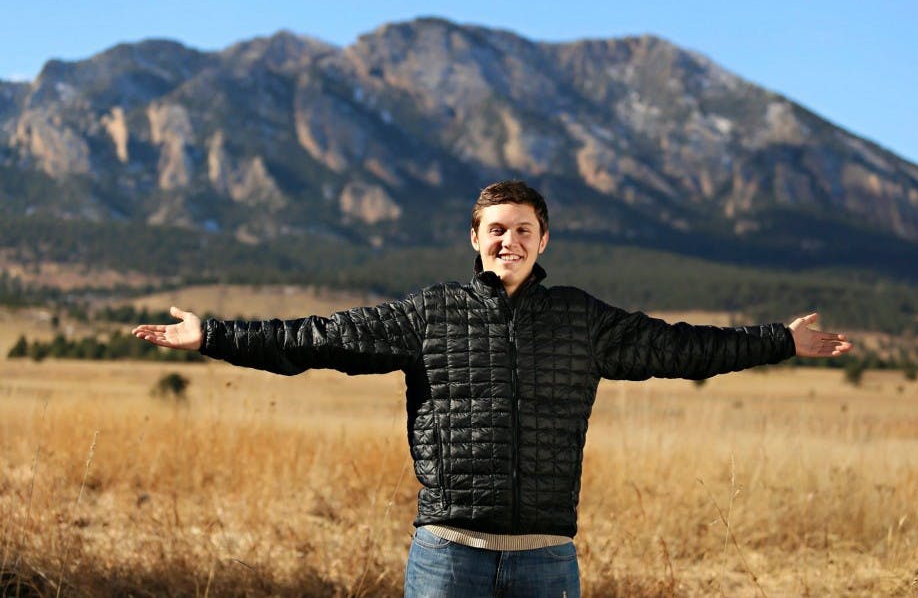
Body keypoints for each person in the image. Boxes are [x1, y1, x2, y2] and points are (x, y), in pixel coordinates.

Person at [132, 179, 852, 597]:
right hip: (448, 552)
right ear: (473, 237)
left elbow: (683, 346)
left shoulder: (582, 318)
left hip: (547, 556)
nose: (510, 239)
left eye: (525, 229)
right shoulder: (429, 312)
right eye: (497, 228)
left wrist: (781, 339)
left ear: (545, 241)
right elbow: (314, 338)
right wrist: (214, 335)